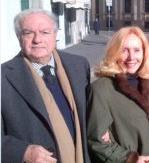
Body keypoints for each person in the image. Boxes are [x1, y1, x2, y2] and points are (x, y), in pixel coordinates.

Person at [1, 9, 91, 163]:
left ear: (55, 35)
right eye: (28, 33)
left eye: (45, 32)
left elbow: (90, 112)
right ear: (19, 37)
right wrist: (22, 152)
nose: (37, 39)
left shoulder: (79, 65)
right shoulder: (4, 77)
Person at [87, 26, 149, 163]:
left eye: (137, 50)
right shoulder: (101, 88)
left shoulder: (147, 82)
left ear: (144, 52)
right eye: (124, 50)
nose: (131, 57)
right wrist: (129, 159)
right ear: (114, 52)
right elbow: (96, 140)